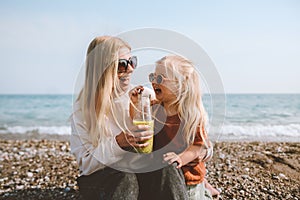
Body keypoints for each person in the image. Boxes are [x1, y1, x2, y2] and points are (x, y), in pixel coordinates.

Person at [70, 36, 154, 199]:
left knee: (166, 167)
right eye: (121, 65)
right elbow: (86, 164)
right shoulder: (82, 110)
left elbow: (188, 125)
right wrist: (118, 142)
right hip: (103, 179)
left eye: (132, 62)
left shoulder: (141, 95)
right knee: (125, 177)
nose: (130, 69)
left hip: (136, 173)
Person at [149, 55, 214, 199]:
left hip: (187, 178)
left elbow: (197, 146)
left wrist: (180, 158)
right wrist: (136, 101)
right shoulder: (154, 109)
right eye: (153, 77)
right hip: (162, 175)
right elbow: (138, 123)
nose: (154, 82)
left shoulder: (190, 116)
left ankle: (205, 192)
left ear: (180, 85)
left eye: (160, 79)